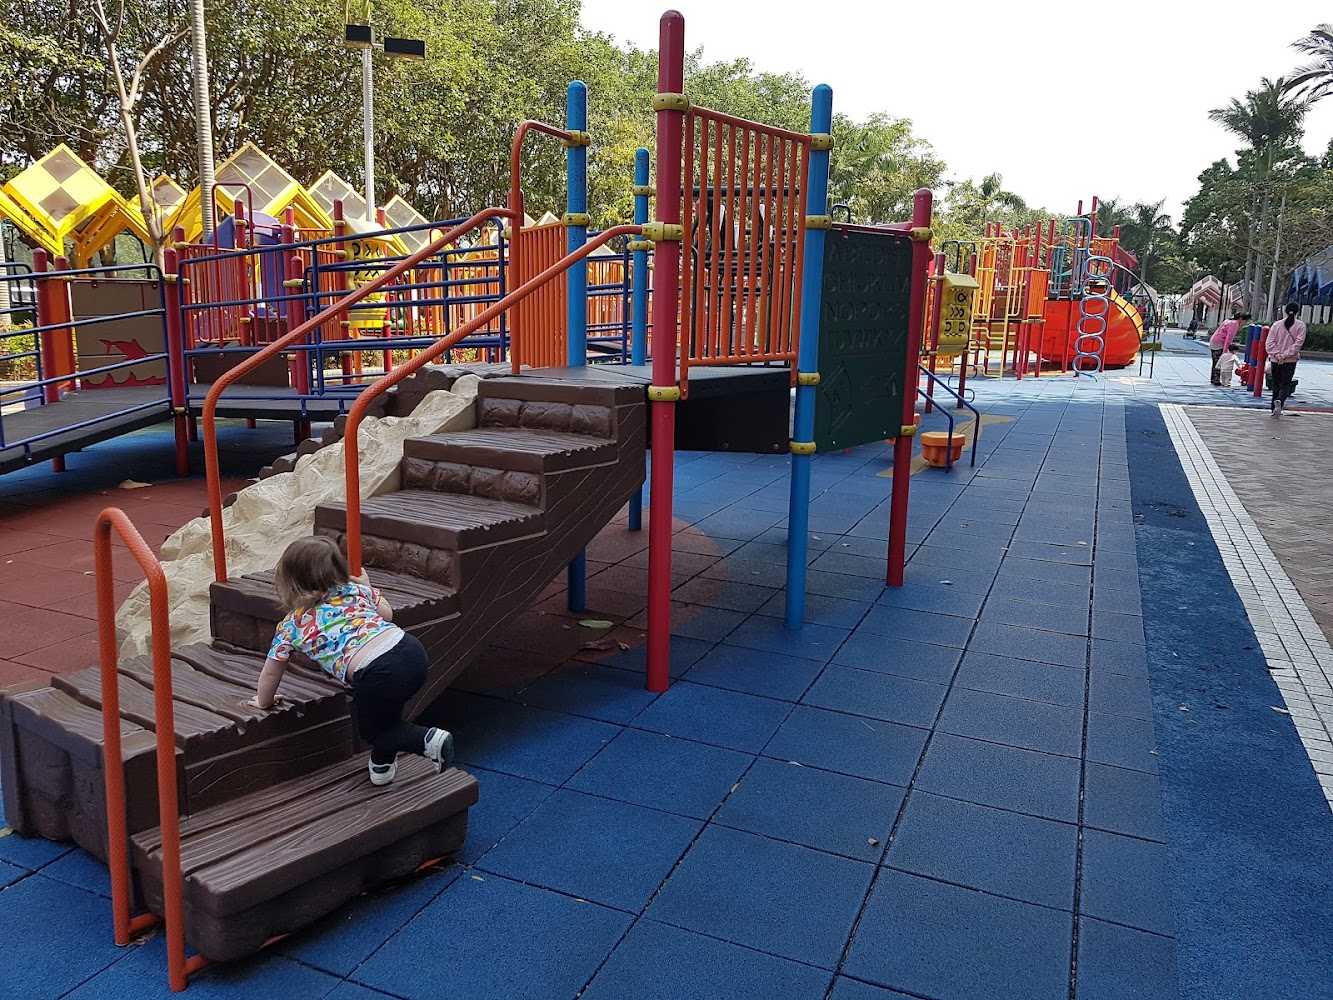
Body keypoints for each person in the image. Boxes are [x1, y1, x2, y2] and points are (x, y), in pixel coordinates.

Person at [249, 535, 454, 785]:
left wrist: (264, 701)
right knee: (386, 712)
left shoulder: (291, 625)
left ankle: (428, 740)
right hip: (411, 650)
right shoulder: (354, 590)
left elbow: (272, 672)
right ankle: (382, 765)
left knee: (373, 731)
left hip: (378, 671)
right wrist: (368, 588)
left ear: (290, 583)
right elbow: (387, 615)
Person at [1266, 303, 1308, 416]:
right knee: (1285, 384)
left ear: (1285, 311)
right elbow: (1298, 344)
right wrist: (1285, 355)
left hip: (1275, 360)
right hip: (1290, 360)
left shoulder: (1276, 325)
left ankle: (1273, 407)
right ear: (1297, 311)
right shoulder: (1301, 326)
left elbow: (1269, 342)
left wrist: (1277, 355)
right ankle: (1280, 401)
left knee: (1275, 384)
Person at [1209, 312, 1249, 385]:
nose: (1245, 323)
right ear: (1241, 319)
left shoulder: (1228, 320)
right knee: (1219, 362)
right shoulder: (1234, 324)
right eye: (1245, 321)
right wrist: (1225, 350)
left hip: (1214, 341)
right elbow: (1229, 338)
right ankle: (1216, 380)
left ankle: (1214, 379)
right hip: (1219, 343)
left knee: (1216, 361)